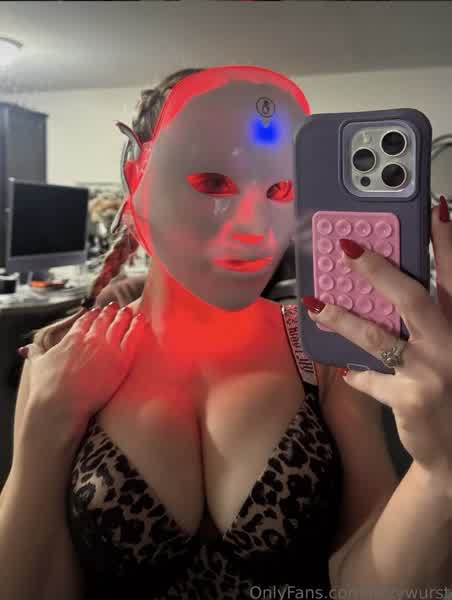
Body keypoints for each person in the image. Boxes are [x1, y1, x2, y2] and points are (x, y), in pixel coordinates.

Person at [1, 66, 452, 600]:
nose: (256, 227)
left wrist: (438, 476)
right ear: (136, 180)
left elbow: (359, 588)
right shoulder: (62, 357)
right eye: (213, 183)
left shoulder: (321, 349)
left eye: (281, 189)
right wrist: (43, 429)